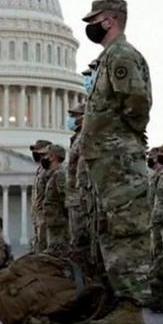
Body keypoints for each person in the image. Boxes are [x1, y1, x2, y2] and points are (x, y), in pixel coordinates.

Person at [79, 0, 152, 324]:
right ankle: (118, 300)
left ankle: (131, 306)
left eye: (93, 20)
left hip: (120, 159)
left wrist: (125, 136)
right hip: (108, 161)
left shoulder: (121, 56)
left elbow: (136, 102)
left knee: (126, 232)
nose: (89, 27)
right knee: (111, 232)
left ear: (109, 20)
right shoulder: (108, 58)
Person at [67, 104, 95, 260]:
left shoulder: (87, 137)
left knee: (84, 240)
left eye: (75, 116)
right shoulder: (76, 138)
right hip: (76, 197)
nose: (71, 120)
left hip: (83, 197)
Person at [41, 144, 70, 249]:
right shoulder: (52, 175)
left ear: (53, 156)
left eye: (46, 155)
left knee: (59, 253)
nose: (43, 158)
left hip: (59, 225)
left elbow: (65, 199)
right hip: (54, 223)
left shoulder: (60, 174)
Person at [30, 139, 53, 252]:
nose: (35, 153)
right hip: (39, 220)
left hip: (48, 219)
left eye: (38, 150)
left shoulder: (51, 171)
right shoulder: (40, 170)